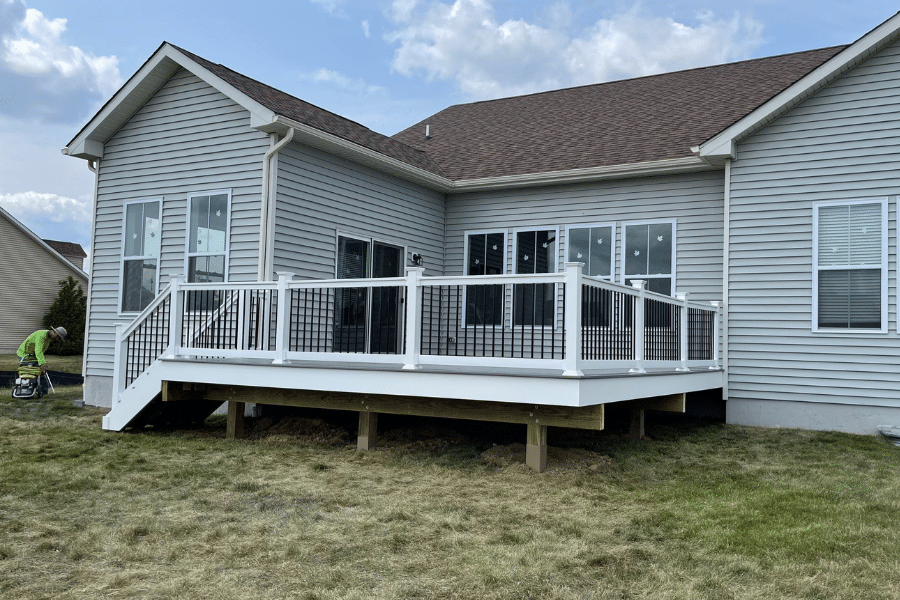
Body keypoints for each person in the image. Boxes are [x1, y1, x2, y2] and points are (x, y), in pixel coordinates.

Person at [16, 327, 67, 395]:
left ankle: (42, 392)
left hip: (33, 356)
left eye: (59, 338)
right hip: (24, 355)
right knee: (29, 372)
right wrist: (42, 363)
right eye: (58, 337)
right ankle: (26, 391)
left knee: (40, 373)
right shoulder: (41, 336)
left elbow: (40, 352)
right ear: (53, 332)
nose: (57, 339)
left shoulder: (48, 338)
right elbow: (39, 351)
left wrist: (42, 363)